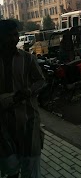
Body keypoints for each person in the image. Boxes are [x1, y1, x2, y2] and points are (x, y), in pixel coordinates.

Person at [0, 20, 45, 178]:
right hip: (3, 128)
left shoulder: (28, 59)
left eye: (15, 35)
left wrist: (28, 90)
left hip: (28, 121)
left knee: (31, 168)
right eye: (8, 36)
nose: (13, 39)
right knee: (10, 169)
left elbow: (41, 81)